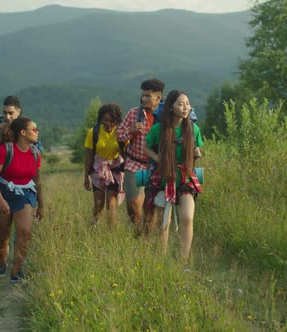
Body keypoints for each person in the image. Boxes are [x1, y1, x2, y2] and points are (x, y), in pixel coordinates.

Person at [142, 90, 203, 261]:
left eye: (187, 104)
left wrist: (193, 155)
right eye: (181, 104)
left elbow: (197, 150)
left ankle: (183, 260)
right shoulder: (158, 130)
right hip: (163, 178)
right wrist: (158, 158)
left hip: (185, 177)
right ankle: (161, 258)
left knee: (187, 217)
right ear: (170, 107)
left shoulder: (193, 128)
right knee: (164, 222)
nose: (185, 108)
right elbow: (145, 148)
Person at [0, 117, 43, 282]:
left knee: (25, 233)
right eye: (34, 129)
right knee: (2, 235)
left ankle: (17, 271)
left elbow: (37, 181)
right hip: (3, 192)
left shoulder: (35, 153)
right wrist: (0, 200)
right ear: (23, 132)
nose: (37, 132)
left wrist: (41, 205)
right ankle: (2, 261)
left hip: (25, 193)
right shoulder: (5, 150)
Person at [117, 78, 165, 235]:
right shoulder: (133, 113)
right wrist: (130, 130)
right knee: (133, 205)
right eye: (142, 95)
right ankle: (138, 231)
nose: (144, 98)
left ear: (158, 97)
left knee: (150, 208)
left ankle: (146, 240)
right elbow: (119, 136)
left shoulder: (166, 115)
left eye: (148, 96)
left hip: (156, 166)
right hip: (135, 164)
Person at [83, 103, 126, 226]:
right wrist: (86, 176)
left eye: (112, 120)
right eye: (105, 120)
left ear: (117, 120)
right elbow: (89, 155)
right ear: (101, 119)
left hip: (115, 170)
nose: (108, 123)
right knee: (98, 204)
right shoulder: (94, 132)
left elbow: (126, 153)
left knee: (111, 205)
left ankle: (110, 234)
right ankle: (93, 226)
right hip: (98, 169)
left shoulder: (121, 133)